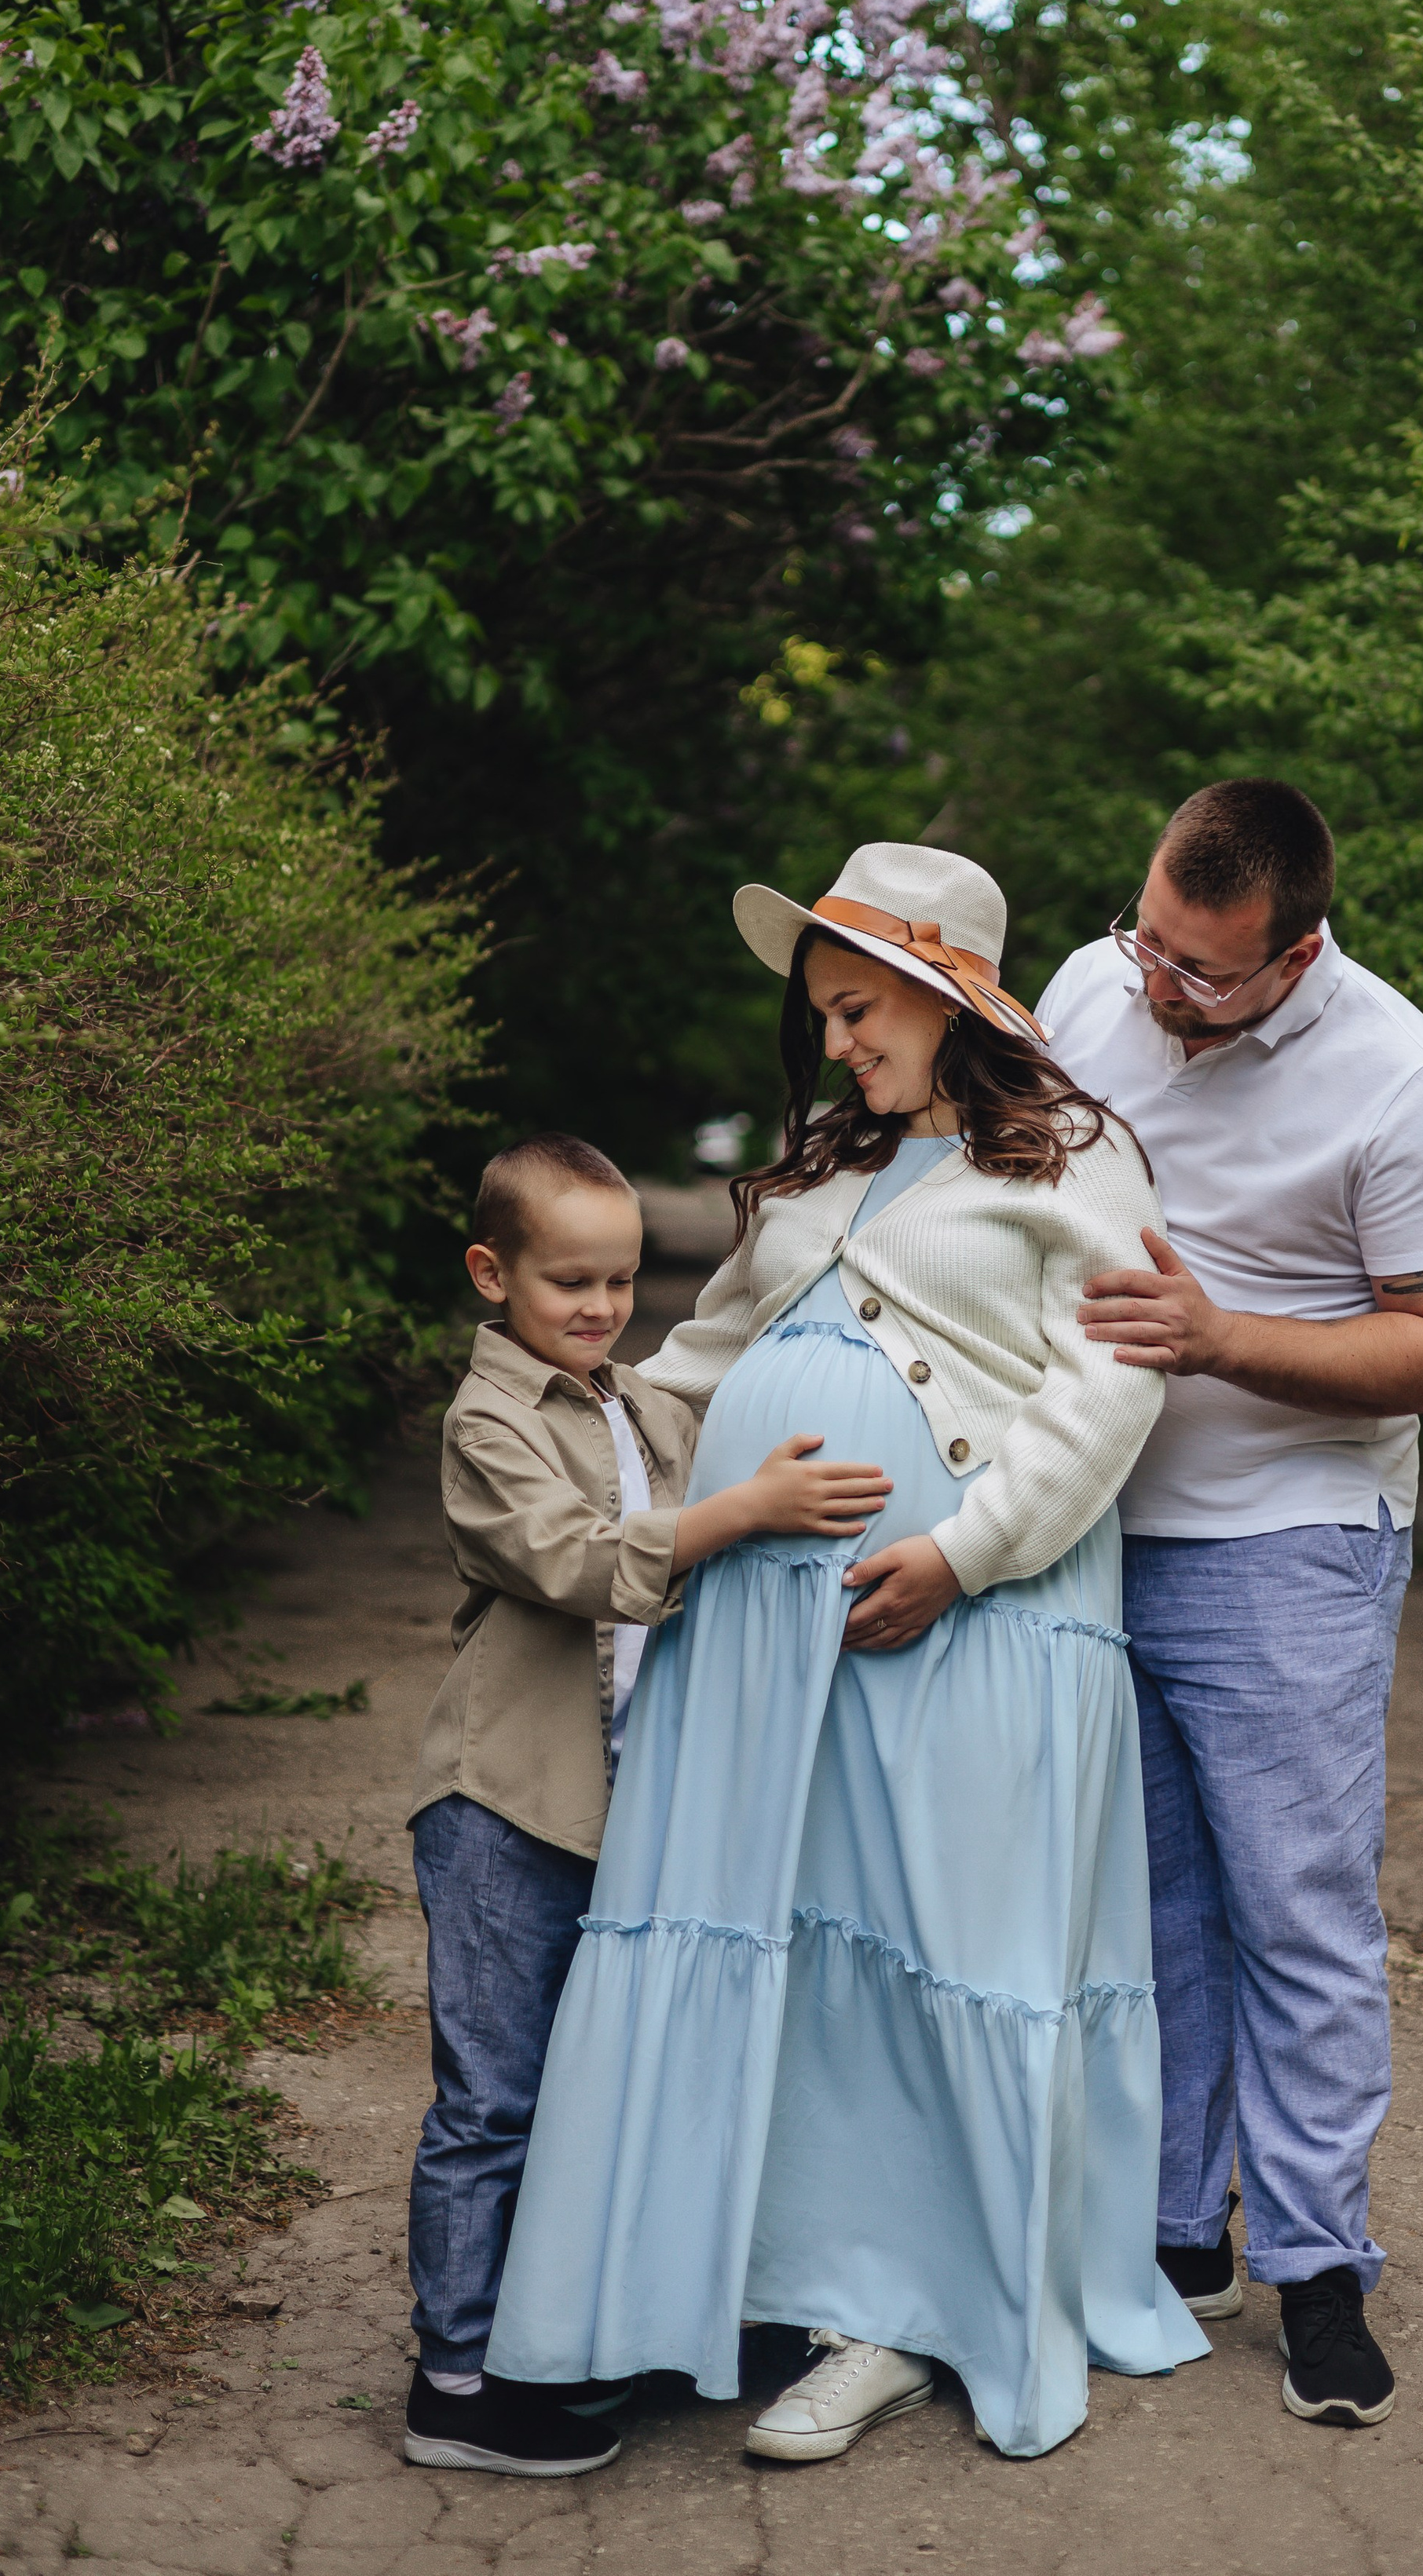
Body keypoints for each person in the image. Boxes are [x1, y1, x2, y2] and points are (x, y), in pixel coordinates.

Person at [481, 845, 1207, 2461]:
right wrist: (545, 1448)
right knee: (792, 1943)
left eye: (856, 1009)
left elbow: (1109, 1387)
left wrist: (960, 1551)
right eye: (819, 1016)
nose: (833, 1043)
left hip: (980, 1611)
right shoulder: (817, 1171)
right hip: (763, 1617)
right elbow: (694, 1363)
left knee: (928, 1940)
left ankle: (895, 2310)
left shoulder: (1073, 1160)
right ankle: (764, 2274)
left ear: (947, 996)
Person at [1038, 780, 1423, 2432]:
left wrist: (1221, 1337)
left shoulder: (1402, 1083)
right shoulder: (1099, 982)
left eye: (1200, 974)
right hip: (1089, 1525)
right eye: (1144, 941)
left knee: (1294, 1913)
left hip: (1289, 1537)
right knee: (1146, 1904)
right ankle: (1181, 2233)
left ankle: (1318, 2271)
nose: (1154, 990)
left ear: (1294, 949)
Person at [403, 1133, 896, 2477]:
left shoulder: (639, 1404)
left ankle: (570, 2332)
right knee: (492, 2101)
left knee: (596, 2084)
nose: (604, 1307)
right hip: (506, 1805)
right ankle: (453, 2378)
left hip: (623, 1808)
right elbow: (573, 1561)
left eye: (621, 1281)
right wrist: (743, 1514)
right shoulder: (489, 1421)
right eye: (571, 1281)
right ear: (491, 1275)